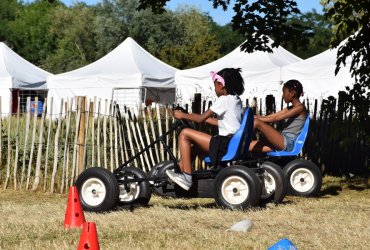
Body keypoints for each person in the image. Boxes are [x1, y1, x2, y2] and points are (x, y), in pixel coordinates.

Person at [166, 68, 245, 190]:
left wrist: (182, 115)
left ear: (221, 85)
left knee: (184, 133)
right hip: (232, 142)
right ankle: (181, 172)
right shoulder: (236, 100)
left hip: (224, 144)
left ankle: (187, 177)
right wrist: (200, 117)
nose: (214, 89)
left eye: (215, 85)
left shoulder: (223, 100)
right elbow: (224, 122)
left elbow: (200, 119)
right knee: (196, 147)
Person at [249, 79, 307, 153]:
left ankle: (239, 137)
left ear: (292, 93)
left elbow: (275, 119)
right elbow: (272, 116)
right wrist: (256, 116)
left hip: (288, 143)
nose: (283, 96)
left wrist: (257, 119)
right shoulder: (290, 108)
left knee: (256, 122)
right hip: (281, 140)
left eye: (284, 93)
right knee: (248, 146)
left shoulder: (300, 108)